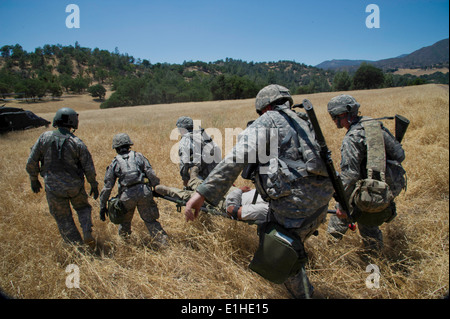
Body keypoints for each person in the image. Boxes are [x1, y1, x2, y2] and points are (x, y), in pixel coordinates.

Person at [184, 84, 334, 298]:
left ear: (265, 107)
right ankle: (297, 258)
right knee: (291, 239)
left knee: (278, 252)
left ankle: (304, 293)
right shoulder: (305, 121)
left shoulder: (268, 120)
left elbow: (236, 158)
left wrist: (201, 193)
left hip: (293, 208)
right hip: (320, 204)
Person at [325, 94, 406, 252]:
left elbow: (350, 176)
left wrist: (342, 205)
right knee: (368, 220)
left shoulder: (352, 138)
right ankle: (375, 253)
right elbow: (400, 155)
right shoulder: (374, 125)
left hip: (373, 190)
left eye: (334, 116)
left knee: (346, 213)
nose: (334, 121)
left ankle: (329, 250)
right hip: (391, 186)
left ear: (342, 114)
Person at [26, 107, 99, 247]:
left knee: (63, 218)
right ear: (73, 122)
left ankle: (76, 246)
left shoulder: (44, 138)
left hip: (53, 188)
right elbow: (88, 167)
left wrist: (33, 179)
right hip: (75, 187)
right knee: (83, 208)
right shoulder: (77, 143)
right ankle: (86, 231)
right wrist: (93, 185)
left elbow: (31, 162)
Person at [99, 133, 168, 247]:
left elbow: (107, 187)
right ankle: (164, 245)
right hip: (144, 193)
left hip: (126, 197)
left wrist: (102, 206)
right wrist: (155, 187)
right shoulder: (138, 156)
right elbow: (151, 173)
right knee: (151, 222)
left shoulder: (114, 163)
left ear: (116, 148)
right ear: (129, 145)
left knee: (124, 223)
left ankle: (125, 247)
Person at [176, 116, 221, 188]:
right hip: (213, 173)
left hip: (198, 176)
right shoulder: (203, 135)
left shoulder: (185, 140)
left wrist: (185, 178)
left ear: (182, 129)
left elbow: (184, 162)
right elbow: (217, 150)